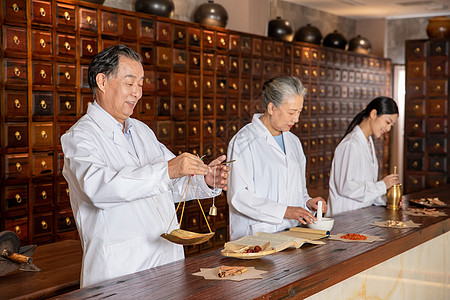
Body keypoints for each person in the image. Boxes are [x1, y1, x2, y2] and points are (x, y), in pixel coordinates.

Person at [61, 45, 229, 288]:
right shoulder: (80, 137)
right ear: (102, 81)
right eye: (130, 83)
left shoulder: (141, 131)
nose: (137, 93)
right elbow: (99, 189)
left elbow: (168, 185)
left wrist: (205, 180)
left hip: (165, 260)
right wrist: (168, 170)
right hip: (120, 270)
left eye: (140, 84)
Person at [226, 76, 327, 241]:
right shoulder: (243, 141)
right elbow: (238, 196)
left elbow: (298, 191)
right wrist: (285, 211)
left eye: (299, 112)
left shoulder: (293, 142)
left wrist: (307, 202)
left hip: (290, 233)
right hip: (255, 237)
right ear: (271, 108)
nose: (296, 119)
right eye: (291, 112)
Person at [327, 96, 400, 216]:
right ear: (373, 114)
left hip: (360, 217)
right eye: (387, 122)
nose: (387, 128)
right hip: (344, 220)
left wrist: (388, 199)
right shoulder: (351, 144)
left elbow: (365, 191)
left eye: (391, 125)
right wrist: (382, 185)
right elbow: (346, 187)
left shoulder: (368, 143)